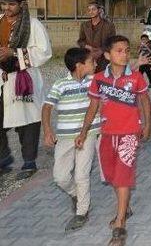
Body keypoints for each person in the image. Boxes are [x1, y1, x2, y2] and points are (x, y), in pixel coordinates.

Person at [75, 35, 151, 245]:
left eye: (127, 50)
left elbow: (145, 101)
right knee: (111, 175)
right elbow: (92, 108)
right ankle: (125, 206)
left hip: (129, 134)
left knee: (123, 176)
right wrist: (83, 132)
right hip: (107, 134)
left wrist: (146, 125)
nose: (125, 54)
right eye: (119, 50)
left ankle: (120, 225)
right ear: (107, 55)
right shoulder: (98, 79)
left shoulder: (135, 77)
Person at [42, 48, 98, 231]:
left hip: (88, 134)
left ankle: (82, 212)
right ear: (79, 65)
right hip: (65, 137)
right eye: (91, 62)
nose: (95, 64)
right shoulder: (60, 84)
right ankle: (75, 194)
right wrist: (48, 130)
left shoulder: (94, 82)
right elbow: (47, 107)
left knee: (82, 174)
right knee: (60, 176)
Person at [0, 0, 52, 179]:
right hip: (2, 78)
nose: (7, 7)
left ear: (21, 4)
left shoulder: (33, 24)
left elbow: (44, 52)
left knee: (27, 123)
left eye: (11, 4)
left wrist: (13, 53)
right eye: (4, 3)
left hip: (24, 79)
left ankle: (29, 163)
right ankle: (3, 158)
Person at [77, 1, 116, 73]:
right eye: (89, 10)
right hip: (89, 58)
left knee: (103, 79)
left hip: (104, 59)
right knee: (90, 80)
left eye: (93, 9)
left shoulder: (109, 25)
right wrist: (87, 46)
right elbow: (80, 41)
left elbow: (113, 42)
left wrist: (101, 50)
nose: (91, 12)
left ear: (99, 10)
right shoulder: (84, 25)